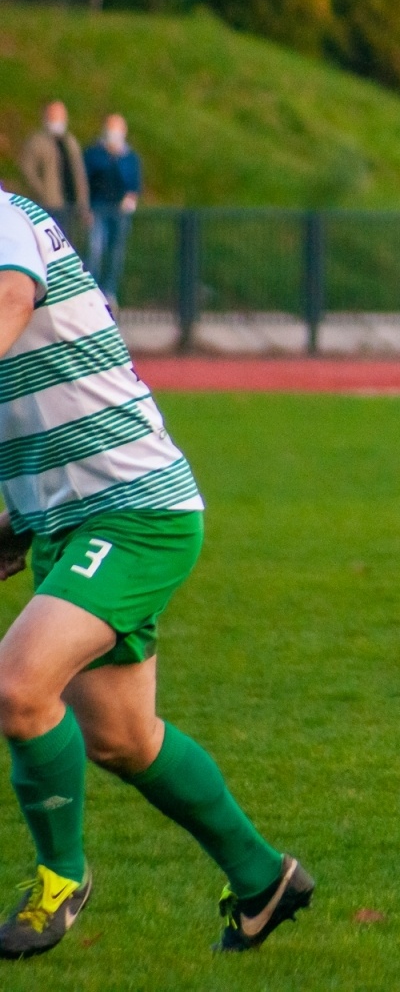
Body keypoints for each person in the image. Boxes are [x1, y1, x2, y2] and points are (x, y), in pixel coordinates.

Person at [0, 182, 312, 958]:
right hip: (69, 521)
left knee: (16, 686)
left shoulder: (2, 218)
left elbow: (9, 300)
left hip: (135, 511)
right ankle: (263, 877)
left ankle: (59, 879)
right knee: (122, 737)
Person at [82, 114, 142, 308]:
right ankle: (90, 291)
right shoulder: (94, 154)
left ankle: (109, 292)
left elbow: (134, 183)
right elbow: (85, 182)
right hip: (97, 208)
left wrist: (131, 198)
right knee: (95, 250)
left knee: (116, 252)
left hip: (120, 211)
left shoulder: (129, 157)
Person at [17, 102, 89, 231]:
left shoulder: (70, 142)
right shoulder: (37, 142)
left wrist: (82, 201)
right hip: (48, 206)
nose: (57, 121)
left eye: (60, 117)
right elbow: (27, 171)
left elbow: (79, 173)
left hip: (70, 205)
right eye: (54, 117)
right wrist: (43, 193)